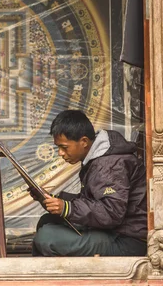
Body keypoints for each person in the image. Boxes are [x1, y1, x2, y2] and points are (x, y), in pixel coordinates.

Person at [31, 110, 147, 256]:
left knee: (47, 237)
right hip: (113, 231)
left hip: (128, 240)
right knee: (47, 220)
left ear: (84, 142)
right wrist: (54, 200)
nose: (60, 153)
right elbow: (93, 200)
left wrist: (68, 208)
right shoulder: (97, 159)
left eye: (64, 147)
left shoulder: (109, 164)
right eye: (58, 148)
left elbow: (112, 212)